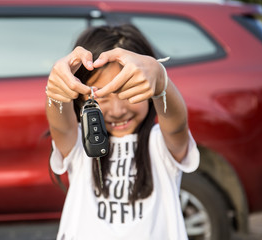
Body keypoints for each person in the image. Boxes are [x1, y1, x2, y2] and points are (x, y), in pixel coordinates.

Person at [45, 24, 199, 240]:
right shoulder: (81, 143)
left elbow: (177, 123)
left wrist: (161, 81)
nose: (117, 111)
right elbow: (61, 126)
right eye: (102, 97)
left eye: (127, 93)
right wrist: (56, 91)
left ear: (148, 87)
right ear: (80, 99)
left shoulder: (160, 144)